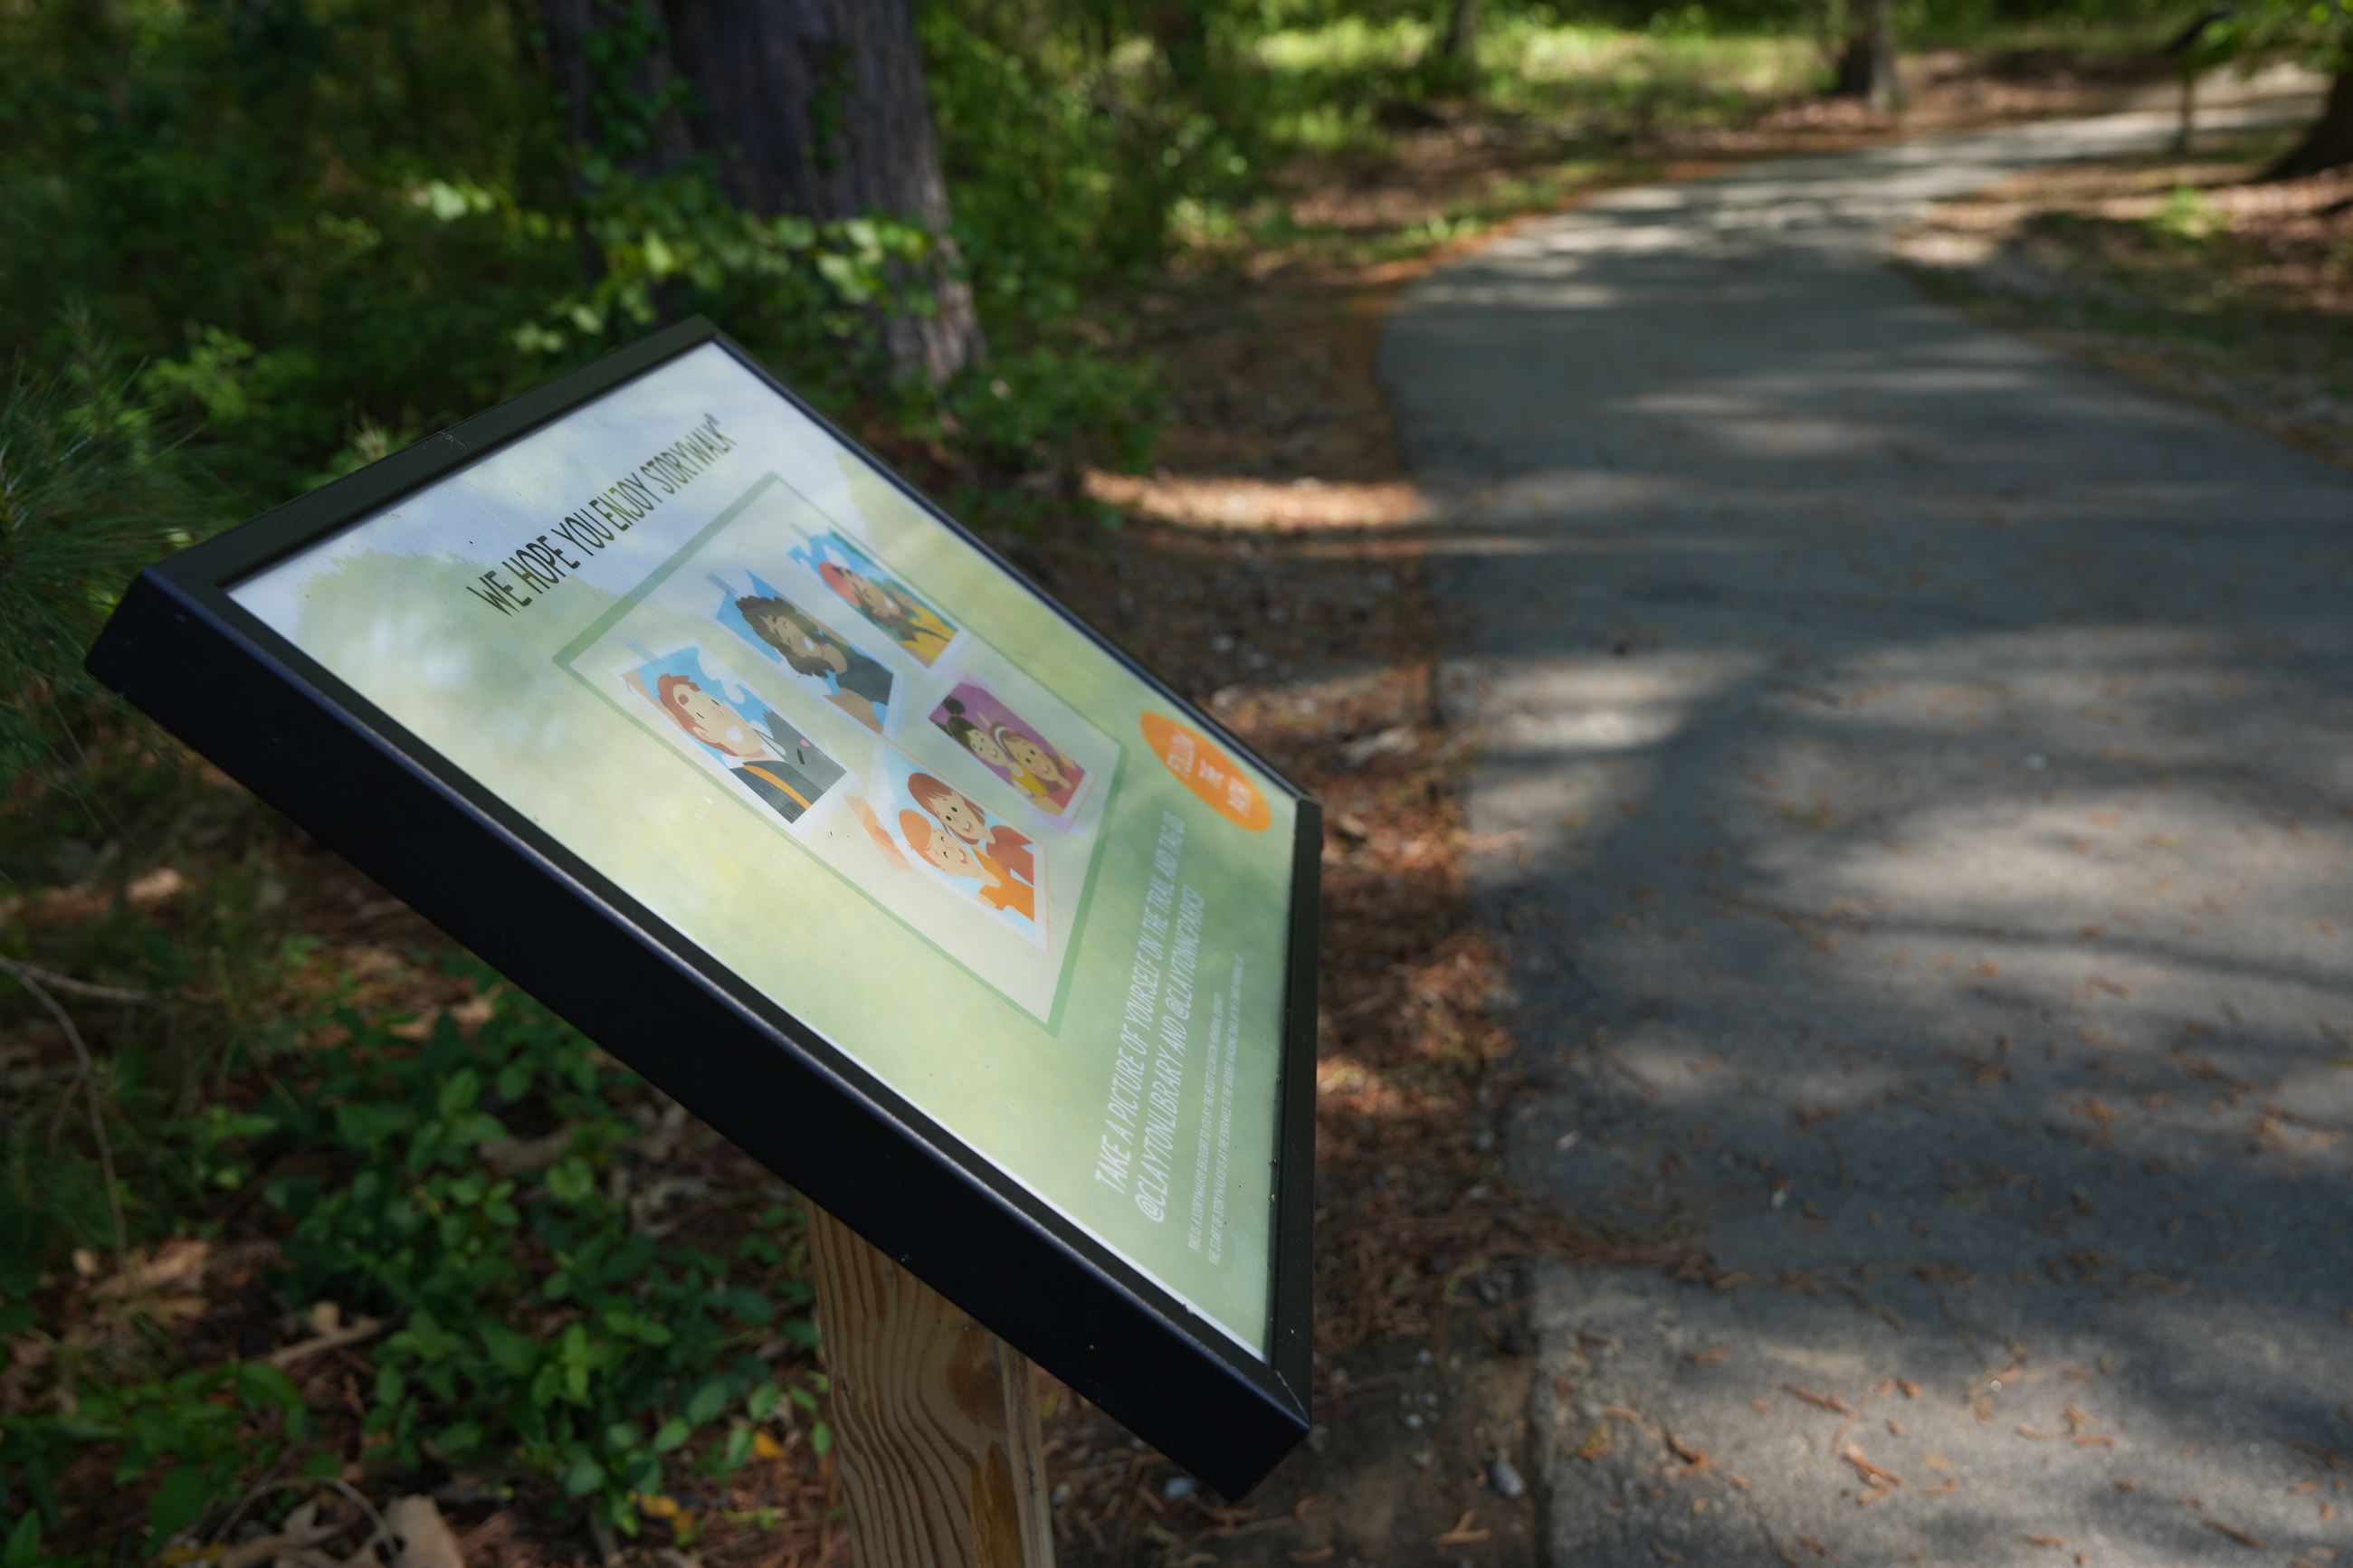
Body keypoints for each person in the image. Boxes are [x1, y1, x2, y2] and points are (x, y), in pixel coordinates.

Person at [654, 671, 837, 823]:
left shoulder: (785, 739)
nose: (721, 710)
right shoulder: (748, 778)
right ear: (704, 734)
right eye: (706, 713)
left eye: (715, 702)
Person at [734, 594, 891, 732]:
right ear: (794, 652)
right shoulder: (846, 693)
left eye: (784, 624)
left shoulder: (836, 637)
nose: (791, 635)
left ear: (795, 621)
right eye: (782, 637)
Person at [900, 808, 1034, 920]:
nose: (950, 847)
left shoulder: (986, 853)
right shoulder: (985, 897)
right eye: (944, 854)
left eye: (942, 838)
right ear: (948, 871)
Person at [816, 559, 954, 662]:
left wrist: (915, 606)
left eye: (861, 579)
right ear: (878, 612)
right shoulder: (910, 645)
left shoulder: (923, 615)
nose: (873, 588)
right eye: (866, 593)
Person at [908, 772, 1034, 883]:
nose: (957, 820)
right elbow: (1006, 883)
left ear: (957, 797)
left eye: (954, 809)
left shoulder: (999, 833)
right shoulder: (982, 854)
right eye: (948, 818)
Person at [996, 725, 1079, 804]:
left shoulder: (1067, 761)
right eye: (1027, 760)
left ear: (1036, 746)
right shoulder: (1048, 801)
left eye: (1031, 751)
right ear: (1027, 768)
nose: (1036, 762)